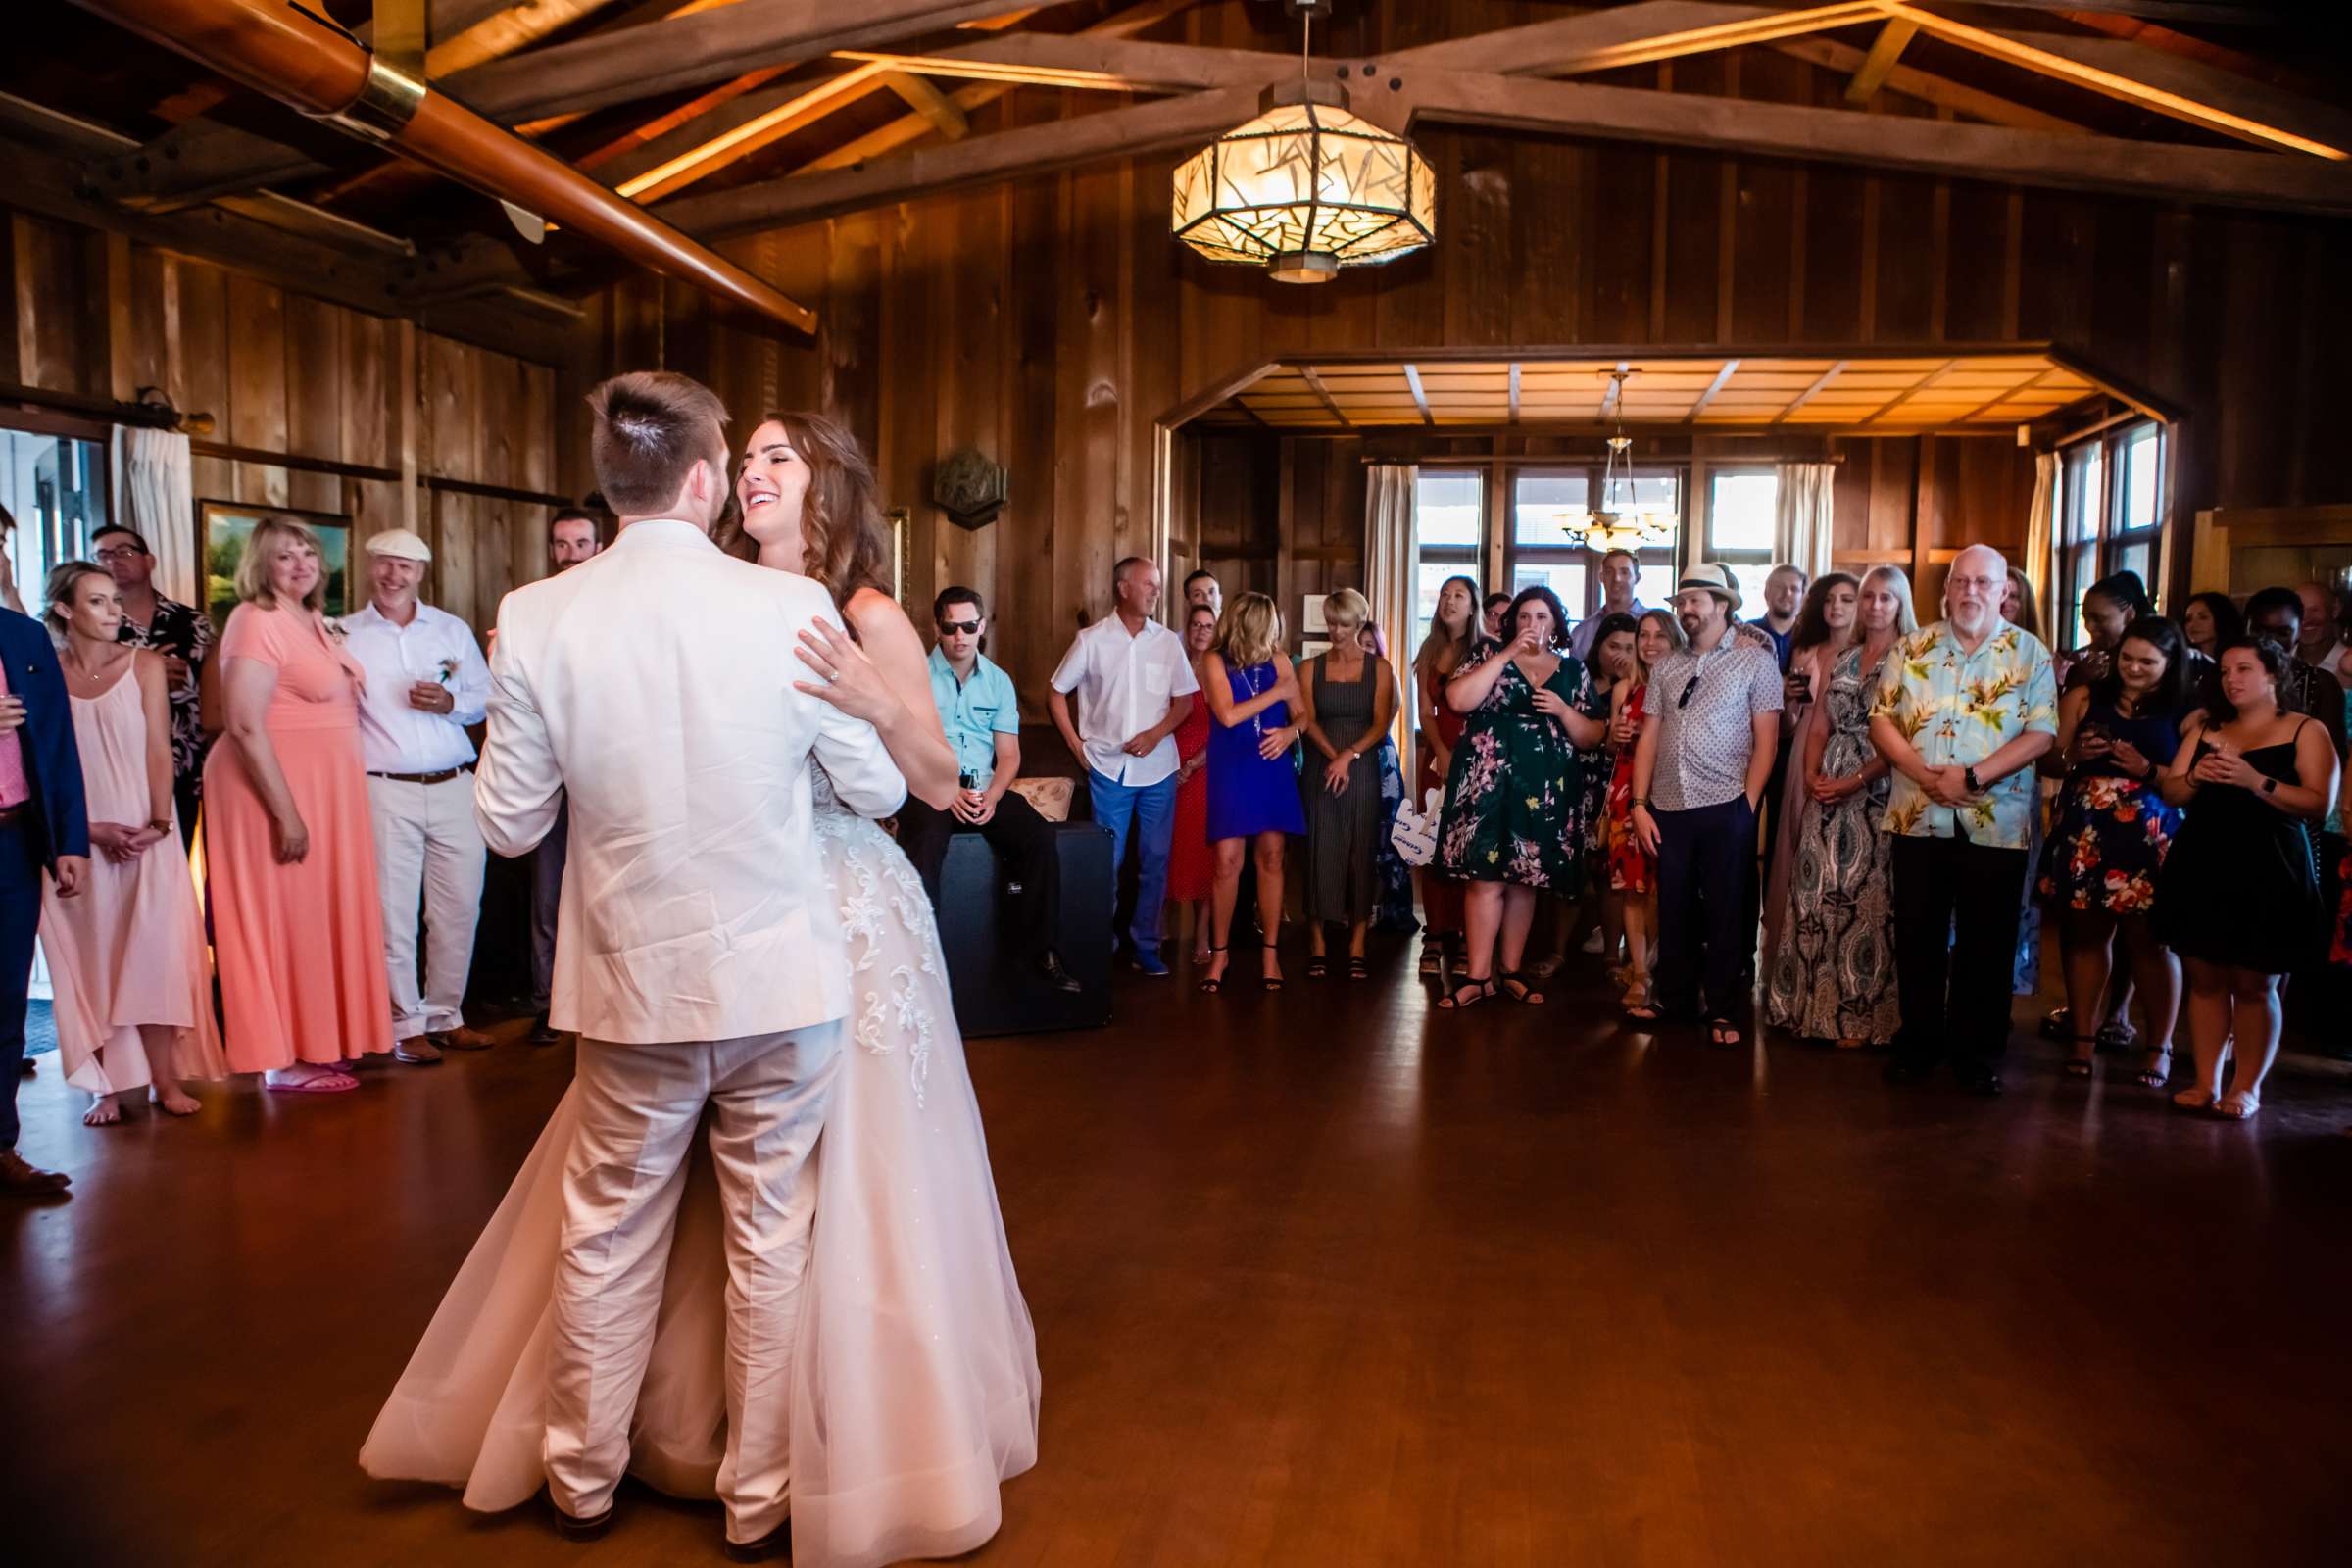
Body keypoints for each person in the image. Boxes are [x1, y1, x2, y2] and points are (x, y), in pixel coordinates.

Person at [370, 378, 1042, 1567]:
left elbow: (515, 828)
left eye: (779, 459)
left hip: (630, 982)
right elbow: (883, 791)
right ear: (702, 478)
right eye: (744, 457)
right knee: (772, 1237)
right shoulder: (779, 608)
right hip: (782, 976)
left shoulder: (536, 613)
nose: (753, 475)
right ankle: (760, 1496)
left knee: (607, 1229)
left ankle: (580, 1479)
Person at [206, 515, 396, 1091]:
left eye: (308, 554)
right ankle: (281, 1057)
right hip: (271, 788)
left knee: (316, 915)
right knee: (283, 917)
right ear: (260, 564)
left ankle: (316, 1039)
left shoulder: (314, 620)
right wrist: (286, 812)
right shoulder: (254, 619)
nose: (301, 565)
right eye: (285, 556)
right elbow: (241, 723)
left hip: (327, 788)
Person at [37, 562, 224, 1126]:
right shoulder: (45, 672)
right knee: (92, 959)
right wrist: (87, 829)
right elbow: (45, 761)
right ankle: (106, 1087)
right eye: (98, 601)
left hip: (147, 830)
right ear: (66, 610)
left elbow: (155, 749)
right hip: (78, 834)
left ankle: (165, 1079)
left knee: (155, 954)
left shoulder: (143, 665)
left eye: (115, 600)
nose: (116, 610)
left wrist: (157, 824)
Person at [1870, 544, 2057, 1099]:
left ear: (2004, 591)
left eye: (1983, 582)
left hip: (1996, 821)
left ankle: (1976, 1051)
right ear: (1947, 589)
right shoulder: (1913, 647)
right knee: (1919, 935)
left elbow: (2042, 733)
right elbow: (1882, 721)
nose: (1970, 592)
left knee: (1988, 941)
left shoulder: (2030, 654)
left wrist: (1972, 778)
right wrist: (1926, 776)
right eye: (1960, 582)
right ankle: (1920, 1043)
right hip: (1916, 812)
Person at [2154, 637, 2339, 1120]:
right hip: (2205, 859)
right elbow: (2172, 790)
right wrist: (2197, 778)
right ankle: (2205, 1080)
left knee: (2256, 981)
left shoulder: (2305, 730)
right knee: (2205, 975)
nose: (2231, 679)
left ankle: (2247, 1086)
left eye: (2244, 669)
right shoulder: (2209, 728)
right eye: (2226, 671)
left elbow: (2320, 803)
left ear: (2273, 676)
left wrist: (2255, 781)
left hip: (2271, 864)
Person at [341, 528, 498, 1062]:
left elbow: (483, 699)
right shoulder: (344, 634)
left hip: (455, 782)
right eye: (384, 564)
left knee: (458, 907)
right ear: (370, 568)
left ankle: (447, 1015)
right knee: (393, 911)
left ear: (421, 574)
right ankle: (404, 1023)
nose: (393, 575)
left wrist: (449, 701)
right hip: (383, 787)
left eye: (404, 566)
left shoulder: (450, 631)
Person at [1627, 564, 1783, 1045]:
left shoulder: (1755, 661)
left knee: (1725, 909)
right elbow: (1649, 736)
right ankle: (1673, 1000)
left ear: (1723, 605)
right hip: (1668, 805)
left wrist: (1747, 804)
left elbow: (1767, 740)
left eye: (1697, 601)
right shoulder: (1667, 666)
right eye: (1683, 602)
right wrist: (1638, 803)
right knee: (1672, 908)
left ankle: (1722, 1009)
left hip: (1726, 803)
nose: (1687, 610)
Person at [895, 586, 1077, 992]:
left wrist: (992, 798)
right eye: (950, 627)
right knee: (923, 843)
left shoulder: (998, 682)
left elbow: (1009, 756)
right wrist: (945, 790)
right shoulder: (915, 677)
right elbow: (904, 748)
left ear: (982, 627)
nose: (960, 636)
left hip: (982, 788)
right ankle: (922, 960)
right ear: (936, 628)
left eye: (969, 626)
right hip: (929, 788)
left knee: (1039, 837)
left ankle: (1040, 952)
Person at [1434, 586, 1606, 1009]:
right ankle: (1477, 976)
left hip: (1543, 788)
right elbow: (1457, 700)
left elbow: (1594, 737)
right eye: (1525, 617)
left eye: (1542, 617)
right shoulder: (1486, 654)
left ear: (1555, 624)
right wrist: (1506, 653)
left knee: (1524, 880)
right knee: (1484, 879)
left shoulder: (1572, 671)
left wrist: (1565, 712)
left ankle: (1510, 971)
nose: (1533, 624)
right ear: (1512, 623)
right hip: (1486, 781)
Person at [2035, 615, 2190, 1086]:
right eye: (2128, 658)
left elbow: (2190, 781)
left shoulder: (2186, 710)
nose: (2135, 669)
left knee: (2150, 942)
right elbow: (2048, 757)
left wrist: (2147, 768)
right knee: (2085, 934)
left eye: (2148, 661)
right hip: (2087, 826)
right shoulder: (2085, 696)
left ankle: (2158, 1048)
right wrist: (2073, 758)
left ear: (2170, 663)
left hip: (2151, 831)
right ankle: (2083, 1038)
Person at [1765, 564, 1913, 1049]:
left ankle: (1858, 1017)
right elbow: (1822, 725)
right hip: (1824, 784)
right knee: (1812, 892)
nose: (1873, 606)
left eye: (1884, 598)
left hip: (1877, 790)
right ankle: (1805, 1006)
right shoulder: (1846, 658)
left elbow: (1907, 736)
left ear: (1900, 605)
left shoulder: (1911, 657)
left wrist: (1855, 779)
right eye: (1867, 597)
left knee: (1861, 902)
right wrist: (1811, 775)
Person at [1048, 558, 1199, 977]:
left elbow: (1185, 701)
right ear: (1123, 588)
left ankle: (1146, 946)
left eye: (1158, 585)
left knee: (1155, 860)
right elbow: (1056, 693)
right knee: (1106, 862)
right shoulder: (1091, 640)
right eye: (1149, 584)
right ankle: (1099, 945)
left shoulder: (1168, 642)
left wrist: (1156, 733)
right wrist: (1076, 746)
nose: (1156, 591)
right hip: (1107, 771)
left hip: (1160, 771)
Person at [0, 590, 88, 1196]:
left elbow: (56, 743)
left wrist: (70, 840)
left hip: (12, 838)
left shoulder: (24, 636)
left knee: (5, 1000)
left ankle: (0, 1147)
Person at [1197, 592, 1304, 994]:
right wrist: (1277, 693)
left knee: (1273, 857)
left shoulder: (1279, 661)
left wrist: (1292, 732)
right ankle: (1220, 953)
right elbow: (1226, 715)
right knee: (1227, 861)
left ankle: (1270, 952)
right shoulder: (1214, 660)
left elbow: (1304, 714)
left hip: (1271, 765)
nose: (1272, 631)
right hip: (1232, 767)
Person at [525, 507, 603, 1046]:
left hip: (606, 772)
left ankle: (598, 1001)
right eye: (561, 544)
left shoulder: (614, 605)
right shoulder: (531, 612)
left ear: (598, 547)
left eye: (580, 543)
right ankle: (547, 1004)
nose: (570, 554)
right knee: (549, 894)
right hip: (551, 772)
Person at [1294, 589, 1397, 980]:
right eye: (1331, 622)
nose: (1335, 631)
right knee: (1319, 848)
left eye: (1344, 624)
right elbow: (1306, 719)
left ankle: (1357, 939)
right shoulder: (1310, 668)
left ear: (1360, 624)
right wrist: (1331, 755)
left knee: (1360, 849)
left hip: (1362, 764)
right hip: (1321, 764)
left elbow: (1380, 723)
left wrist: (1348, 755)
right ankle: (1317, 939)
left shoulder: (1380, 669)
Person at [1758, 572, 1858, 975]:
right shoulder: (1805, 651)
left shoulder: (1872, 651)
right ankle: (1792, 953)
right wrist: (1788, 700)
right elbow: (1785, 728)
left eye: (1846, 599)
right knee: (1799, 848)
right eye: (1829, 599)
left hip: (1855, 755)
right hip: (1804, 751)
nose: (1835, 607)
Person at [91, 525, 212, 850]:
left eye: (123, 552)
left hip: (185, 762)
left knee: (179, 861)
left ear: (150, 561)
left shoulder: (192, 622)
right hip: (121, 763)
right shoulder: (95, 626)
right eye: (102, 554)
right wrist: (142, 671)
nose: (112, 560)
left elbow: (215, 688)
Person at [1533, 611, 1634, 979]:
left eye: (1629, 646)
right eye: (1613, 645)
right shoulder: (1578, 677)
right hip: (1574, 780)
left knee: (1610, 874)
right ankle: (1557, 951)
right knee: (1569, 870)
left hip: (1614, 785)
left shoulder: (1638, 688)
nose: (1620, 653)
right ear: (1599, 646)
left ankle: (1611, 956)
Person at [1604, 608, 1683, 1012]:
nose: (1650, 644)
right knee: (1633, 887)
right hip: (1626, 792)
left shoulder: (1687, 683)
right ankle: (1638, 971)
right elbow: (1610, 745)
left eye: (1660, 636)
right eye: (1644, 636)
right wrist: (1614, 735)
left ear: (1675, 640)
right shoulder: (1624, 688)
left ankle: (1662, 964)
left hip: (1671, 792)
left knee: (1665, 887)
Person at [1411, 575, 1479, 977]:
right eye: (1445, 594)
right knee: (1433, 842)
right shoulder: (1430, 648)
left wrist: (1465, 755)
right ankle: (1435, 932)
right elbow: (1424, 713)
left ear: (1473, 607)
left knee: (1471, 843)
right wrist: (1440, 751)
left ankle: (1471, 934)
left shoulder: (1483, 650)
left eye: (1459, 596)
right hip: (1438, 756)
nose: (1450, 601)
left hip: (1476, 755)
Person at [2244, 585, 2350, 760]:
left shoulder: (2320, 682)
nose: (2271, 641)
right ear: (2247, 629)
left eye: (2282, 632)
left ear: (2298, 632)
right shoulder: (2223, 678)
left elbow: (2332, 756)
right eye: (2261, 631)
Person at [1169, 602, 1217, 964]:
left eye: (1208, 626)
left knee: (1204, 854)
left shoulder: (1219, 672)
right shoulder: (1173, 665)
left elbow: (1226, 728)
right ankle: (1161, 929)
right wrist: (1174, 765)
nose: (1201, 631)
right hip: (1166, 762)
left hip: (1206, 765)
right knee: (1164, 849)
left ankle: (1202, 935)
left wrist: (1194, 764)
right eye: (1195, 625)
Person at [1568, 547, 1646, 662]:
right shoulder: (1580, 633)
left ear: (1637, 578)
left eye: (1624, 572)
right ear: (1601, 578)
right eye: (1609, 572)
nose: (1617, 579)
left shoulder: (1654, 626)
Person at [1749, 564, 1807, 671]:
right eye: (1779, 587)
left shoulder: (1812, 634)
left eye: (1794, 589)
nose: (1787, 593)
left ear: (1802, 597)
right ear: (1766, 593)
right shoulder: (1747, 632)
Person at [2180, 590, 2244, 662]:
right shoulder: (2180, 660)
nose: (2193, 624)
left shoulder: (2238, 658)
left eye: (2203, 617)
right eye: (2188, 619)